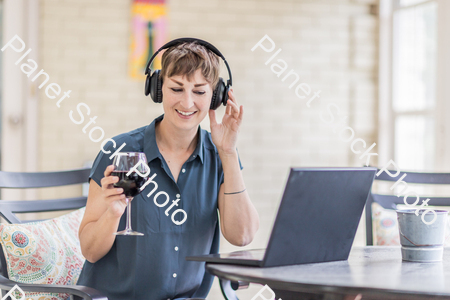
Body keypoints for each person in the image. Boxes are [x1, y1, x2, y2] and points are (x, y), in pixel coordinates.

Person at [77, 40, 260, 300]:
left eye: (199, 91)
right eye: (177, 88)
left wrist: (228, 153)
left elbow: (242, 236)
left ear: (216, 96)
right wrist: (112, 214)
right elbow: (90, 251)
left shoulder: (220, 155)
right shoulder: (119, 151)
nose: (187, 103)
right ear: (158, 89)